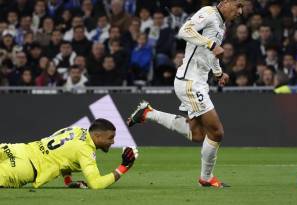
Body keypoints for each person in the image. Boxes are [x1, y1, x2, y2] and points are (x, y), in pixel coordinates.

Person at [127, 0, 245, 188]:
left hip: (197, 82)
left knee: (197, 134)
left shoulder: (221, 25)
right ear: (225, 2)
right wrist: (211, 43)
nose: (240, 11)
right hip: (190, 82)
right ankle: (206, 178)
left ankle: (148, 113)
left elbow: (210, 53)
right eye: (238, 5)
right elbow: (184, 31)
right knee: (216, 132)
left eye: (242, 8)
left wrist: (218, 72)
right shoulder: (208, 12)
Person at [0, 118, 137, 189]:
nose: (112, 142)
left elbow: (60, 152)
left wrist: (68, 181)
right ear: (97, 136)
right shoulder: (86, 150)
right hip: (25, 167)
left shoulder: (76, 130)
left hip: (18, 149)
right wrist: (124, 167)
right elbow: (96, 184)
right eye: (110, 138)